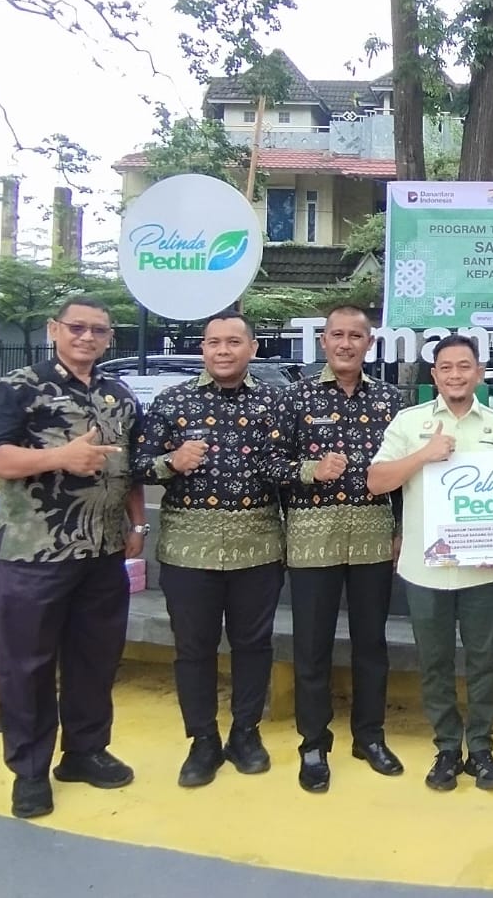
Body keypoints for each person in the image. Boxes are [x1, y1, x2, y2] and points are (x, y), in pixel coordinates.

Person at [0, 296, 146, 820]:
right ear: (54, 330)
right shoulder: (18, 388)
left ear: (110, 338)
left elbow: (130, 467)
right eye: (77, 327)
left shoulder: (119, 395)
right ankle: (29, 772)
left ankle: (85, 752)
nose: (87, 337)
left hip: (103, 549)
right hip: (34, 550)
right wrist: (59, 457)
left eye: (98, 330)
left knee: (95, 657)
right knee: (26, 664)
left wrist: (137, 524)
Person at [132, 312, 285, 788]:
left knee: (253, 645)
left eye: (233, 342)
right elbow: (138, 464)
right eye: (214, 342)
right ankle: (202, 740)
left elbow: (290, 465)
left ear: (252, 349)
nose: (223, 350)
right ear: (202, 348)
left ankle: (245, 733)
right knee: (193, 647)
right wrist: (171, 462)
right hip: (188, 549)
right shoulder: (172, 400)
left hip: (257, 546)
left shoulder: (275, 402)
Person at [367, 334, 493, 791]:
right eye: (446, 367)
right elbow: (376, 481)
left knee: (485, 661)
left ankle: (482, 748)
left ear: (479, 373)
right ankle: (448, 746)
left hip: (483, 568)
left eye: (464, 366)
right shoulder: (410, 423)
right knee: (434, 662)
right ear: (434, 375)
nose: (455, 375)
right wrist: (423, 455)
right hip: (424, 569)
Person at [268, 304, 404, 793]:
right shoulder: (295, 397)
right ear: (323, 341)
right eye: (337, 335)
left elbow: (403, 471)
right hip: (312, 533)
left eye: (356, 336)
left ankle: (369, 736)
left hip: (373, 533)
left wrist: (401, 529)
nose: (346, 344)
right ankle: (313, 742)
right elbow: (269, 464)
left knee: (371, 643)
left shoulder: (390, 400)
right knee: (312, 645)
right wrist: (311, 470)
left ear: (370, 343)